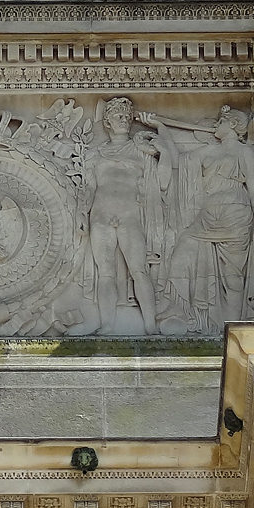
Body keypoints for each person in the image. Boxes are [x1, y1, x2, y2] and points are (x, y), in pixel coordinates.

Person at [143, 106, 254, 330]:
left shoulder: (244, 152)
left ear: (232, 125)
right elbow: (178, 162)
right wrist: (161, 129)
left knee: (233, 277)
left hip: (236, 215)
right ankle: (178, 310)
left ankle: (232, 330)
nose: (215, 125)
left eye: (220, 121)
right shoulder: (208, 151)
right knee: (182, 250)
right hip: (208, 215)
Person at [83, 97, 169, 333]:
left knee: (139, 269)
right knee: (106, 273)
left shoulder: (140, 149)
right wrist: (80, 218)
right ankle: (107, 324)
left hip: (129, 215)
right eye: (117, 116)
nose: (123, 120)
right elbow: (89, 189)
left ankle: (150, 325)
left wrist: (165, 147)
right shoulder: (95, 154)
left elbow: (163, 181)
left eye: (126, 116)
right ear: (107, 122)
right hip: (100, 216)